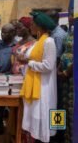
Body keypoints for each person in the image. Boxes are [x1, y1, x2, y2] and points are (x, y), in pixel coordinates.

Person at [19, 11, 57, 143]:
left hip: (43, 85)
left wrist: (29, 62)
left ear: (40, 26)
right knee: (35, 115)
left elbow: (48, 66)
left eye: (33, 24)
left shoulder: (49, 42)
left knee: (43, 113)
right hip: (34, 82)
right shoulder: (38, 41)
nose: (31, 27)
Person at [56, 12, 74, 143]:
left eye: (74, 15)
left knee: (72, 109)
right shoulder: (70, 32)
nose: (71, 17)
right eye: (70, 14)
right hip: (62, 77)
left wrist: (67, 72)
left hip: (72, 77)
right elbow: (63, 53)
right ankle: (61, 136)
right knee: (62, 107)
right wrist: (59, 69)